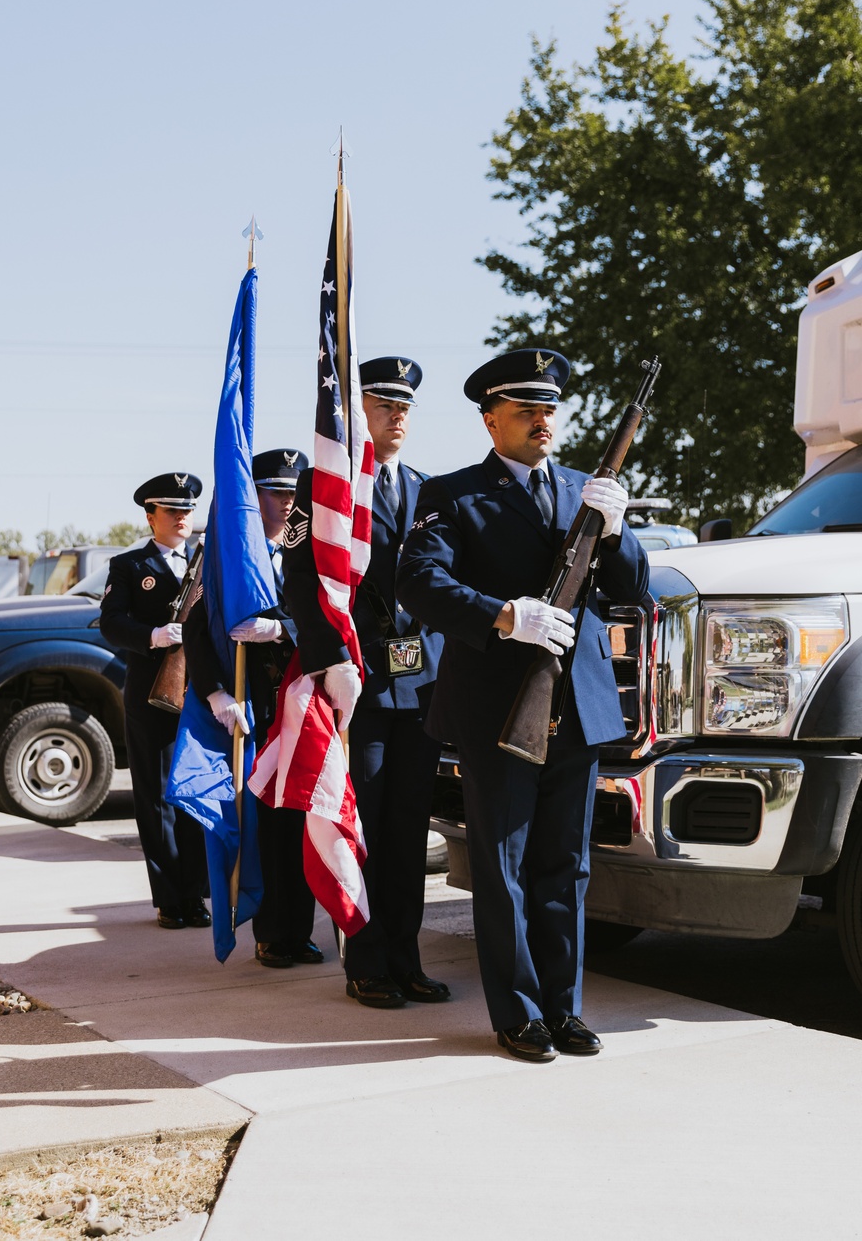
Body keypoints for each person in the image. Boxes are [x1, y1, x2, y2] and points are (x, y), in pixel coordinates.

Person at [395, 348, 649, 1061]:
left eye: (549, 409)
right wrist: (504, 616)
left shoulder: (582, 490)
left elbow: (631, 589)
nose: (544, 421)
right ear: (491, 419)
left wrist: (619, 527)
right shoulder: (451, 493)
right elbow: (416, 579)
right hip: (499, 707)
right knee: (503, 865)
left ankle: (564, 1009)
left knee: (565, 865)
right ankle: (518, 1013)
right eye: (527, 409)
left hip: (576, 704)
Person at [282, 356, 446, 1009]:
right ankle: (367, 962)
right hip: (360, 684)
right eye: (384, 404)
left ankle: (407, 958)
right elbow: (301, 580)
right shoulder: (320, 486)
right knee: (366, 827)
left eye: (405, 406)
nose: (397, 415)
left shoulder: (431, 489)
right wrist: (329, 661)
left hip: (422, 684)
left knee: (410, 833)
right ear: (358, 411)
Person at [183, 447, 324, 968]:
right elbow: (198, 630)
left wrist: (282, 628)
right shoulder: (228, 557)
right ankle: (270, 932)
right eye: (274, 492)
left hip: (305, 705)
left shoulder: (311, 550)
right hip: (258, 709)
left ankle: (300, 930)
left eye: (292, 493)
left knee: (301, 821)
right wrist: (217, 692)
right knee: (264, 826)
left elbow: (327, 617)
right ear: (252, 500)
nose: (286, 503)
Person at [99, 471, 211, 931]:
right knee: (157, 795)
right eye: (172, 509)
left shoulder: (206, 562)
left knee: (195, 793)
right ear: (151, 515)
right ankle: (169, 898)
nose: (183, 516)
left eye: (187, 509)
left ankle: (196, 894)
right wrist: (153, 635)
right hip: (151, 692)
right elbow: (110, 622)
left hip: (201, 693)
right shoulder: (130, 566)